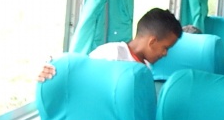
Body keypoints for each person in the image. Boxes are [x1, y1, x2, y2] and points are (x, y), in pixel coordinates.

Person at [38, 8, 182, 81]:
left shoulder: (146, 70)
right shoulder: (112, 54)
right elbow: (78, 77)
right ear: (152, 41)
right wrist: (51, 71)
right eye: (165, 48)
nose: (165, 54)